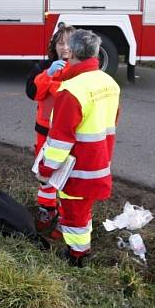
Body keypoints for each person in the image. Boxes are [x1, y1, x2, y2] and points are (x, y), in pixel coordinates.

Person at [35, 29, 121, 267]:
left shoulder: (71, 90)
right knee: (83, 210)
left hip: (77, 168)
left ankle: (77, 255)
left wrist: (45, 168)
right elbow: (112, 120)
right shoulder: (109, 83)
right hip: (100, 161)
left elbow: (60, 140)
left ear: (71, 52)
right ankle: (80, 245)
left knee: (74, 214)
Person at [25, 24, 76, 232]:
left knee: (67, 179)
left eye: (69, 43)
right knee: (44, 175)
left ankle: (66, 219)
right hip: (44, 133)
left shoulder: (81, 70)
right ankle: (47, 210)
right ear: (54, 46)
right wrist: (48, 74)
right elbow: (32, 93)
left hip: (70, 135)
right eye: (60, 43)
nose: (64, 48)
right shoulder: (43, 67)